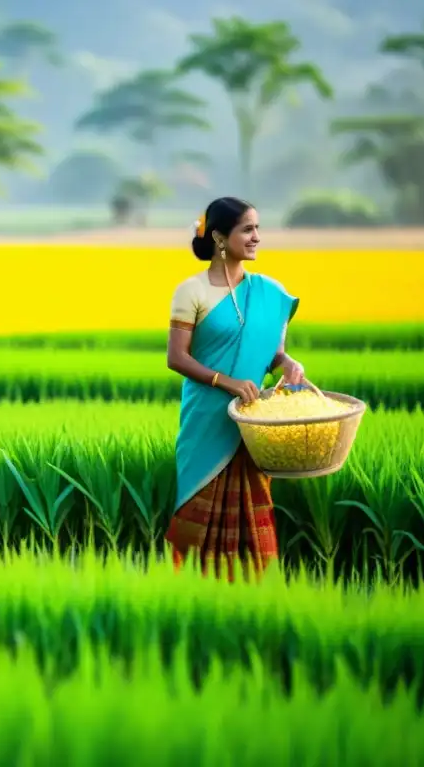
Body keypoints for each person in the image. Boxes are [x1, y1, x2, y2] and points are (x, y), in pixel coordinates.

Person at [164, 197, 305, 581]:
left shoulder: (270, 293)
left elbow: (274, 354)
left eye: (258, 228)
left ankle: (250, 597)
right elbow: (177, 357)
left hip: (250, 421)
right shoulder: (191, 291)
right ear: (220, 238)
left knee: (252, 513)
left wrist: (288, 364)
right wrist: (225, 382)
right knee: (198, 514)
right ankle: (189, 594)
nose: (257, 237)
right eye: (248, 229)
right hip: (206, 420)